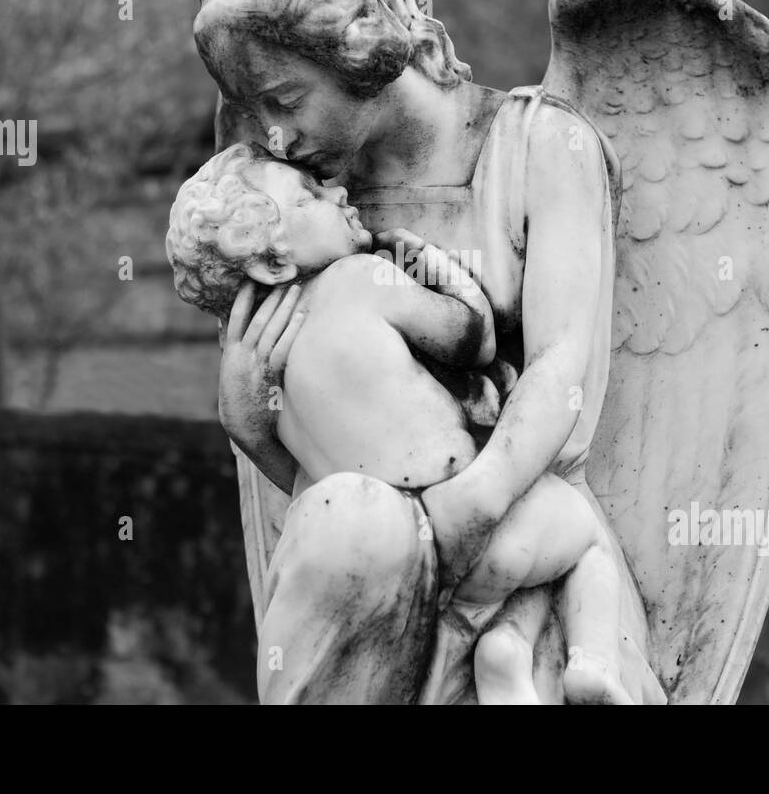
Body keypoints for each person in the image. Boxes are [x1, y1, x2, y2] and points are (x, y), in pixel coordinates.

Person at [195, 0, 663, 704]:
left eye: (284, 99)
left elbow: (563, 379)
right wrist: (251, 426)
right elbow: (338, 469)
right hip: (380, 577)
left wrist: (462, 513)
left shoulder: (541, 149)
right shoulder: (306, 206)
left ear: (357, 51)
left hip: (525, 559)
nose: (274, 135)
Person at [167, 141, 633, 704]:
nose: (337, 190)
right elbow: (472, 338)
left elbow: (298, 482)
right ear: (272, 262)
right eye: (310, 196)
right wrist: (432, 266)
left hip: (398, 564)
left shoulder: (266, 373)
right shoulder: (360, 279)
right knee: (581, 536)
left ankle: (504, 654)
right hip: (460, 507)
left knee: (513, 582)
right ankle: (590, 663)